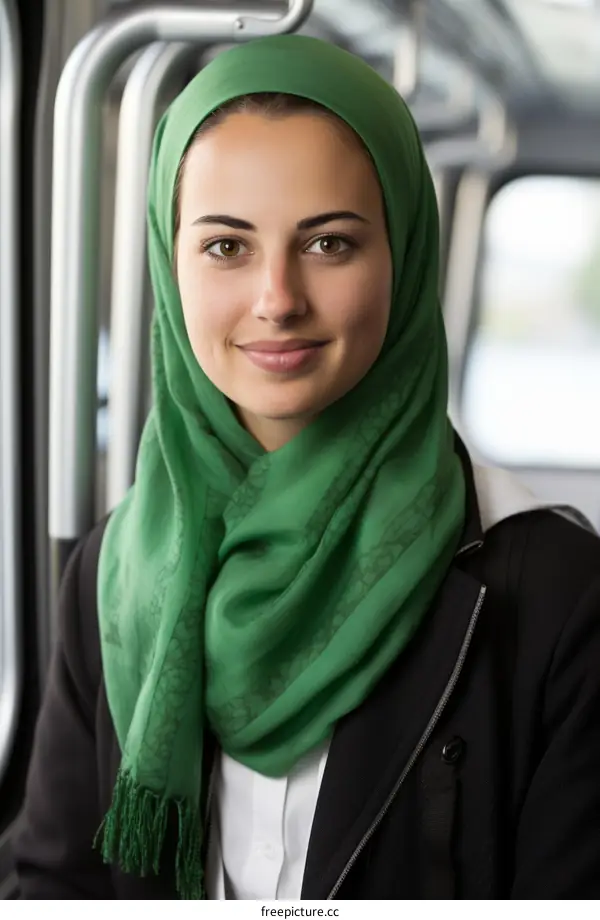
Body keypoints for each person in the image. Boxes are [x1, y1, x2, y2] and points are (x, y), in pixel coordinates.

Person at [13, 35, 600, 900]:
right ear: (170, 269)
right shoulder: (113, 572)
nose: (277, 298)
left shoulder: (555, 595)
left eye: (328, 245)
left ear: (402, 257)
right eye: (226, 246)